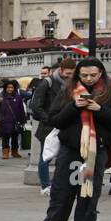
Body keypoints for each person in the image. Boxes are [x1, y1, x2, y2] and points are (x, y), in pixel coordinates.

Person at [38, 57, 111, 221]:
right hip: (70, 151)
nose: (89, 79)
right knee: (62, 195)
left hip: (95, 154)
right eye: (84, 75)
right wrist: (73, 107)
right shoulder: (67, 92)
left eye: (93, 75)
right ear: (78, 74)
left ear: (101, 73)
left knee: (88, 196)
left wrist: (99, 110)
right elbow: (54, 120)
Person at [30, 57, 76, 196]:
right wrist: (50, 119)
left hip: (66, 126)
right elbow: (36, 106)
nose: (70, 76)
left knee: (63, 157)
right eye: (68, 73)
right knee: (45, 157)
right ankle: (45, 185)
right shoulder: (48, 82)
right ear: (60, 70)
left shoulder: (74, 84)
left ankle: (58, 183)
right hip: (49, 126)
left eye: (72, 73)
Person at [0, 80, 26, 160]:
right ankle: (5, 152)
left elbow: (21, 110)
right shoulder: (1, 97)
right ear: (5, 88)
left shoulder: (18, 97)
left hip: (15, 121)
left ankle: (15, 152)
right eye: (8, 87)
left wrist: (23, 120)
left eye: (12, 87)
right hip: (5, 121)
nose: (10, 89)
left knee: (15, 137)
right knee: (5, 138)